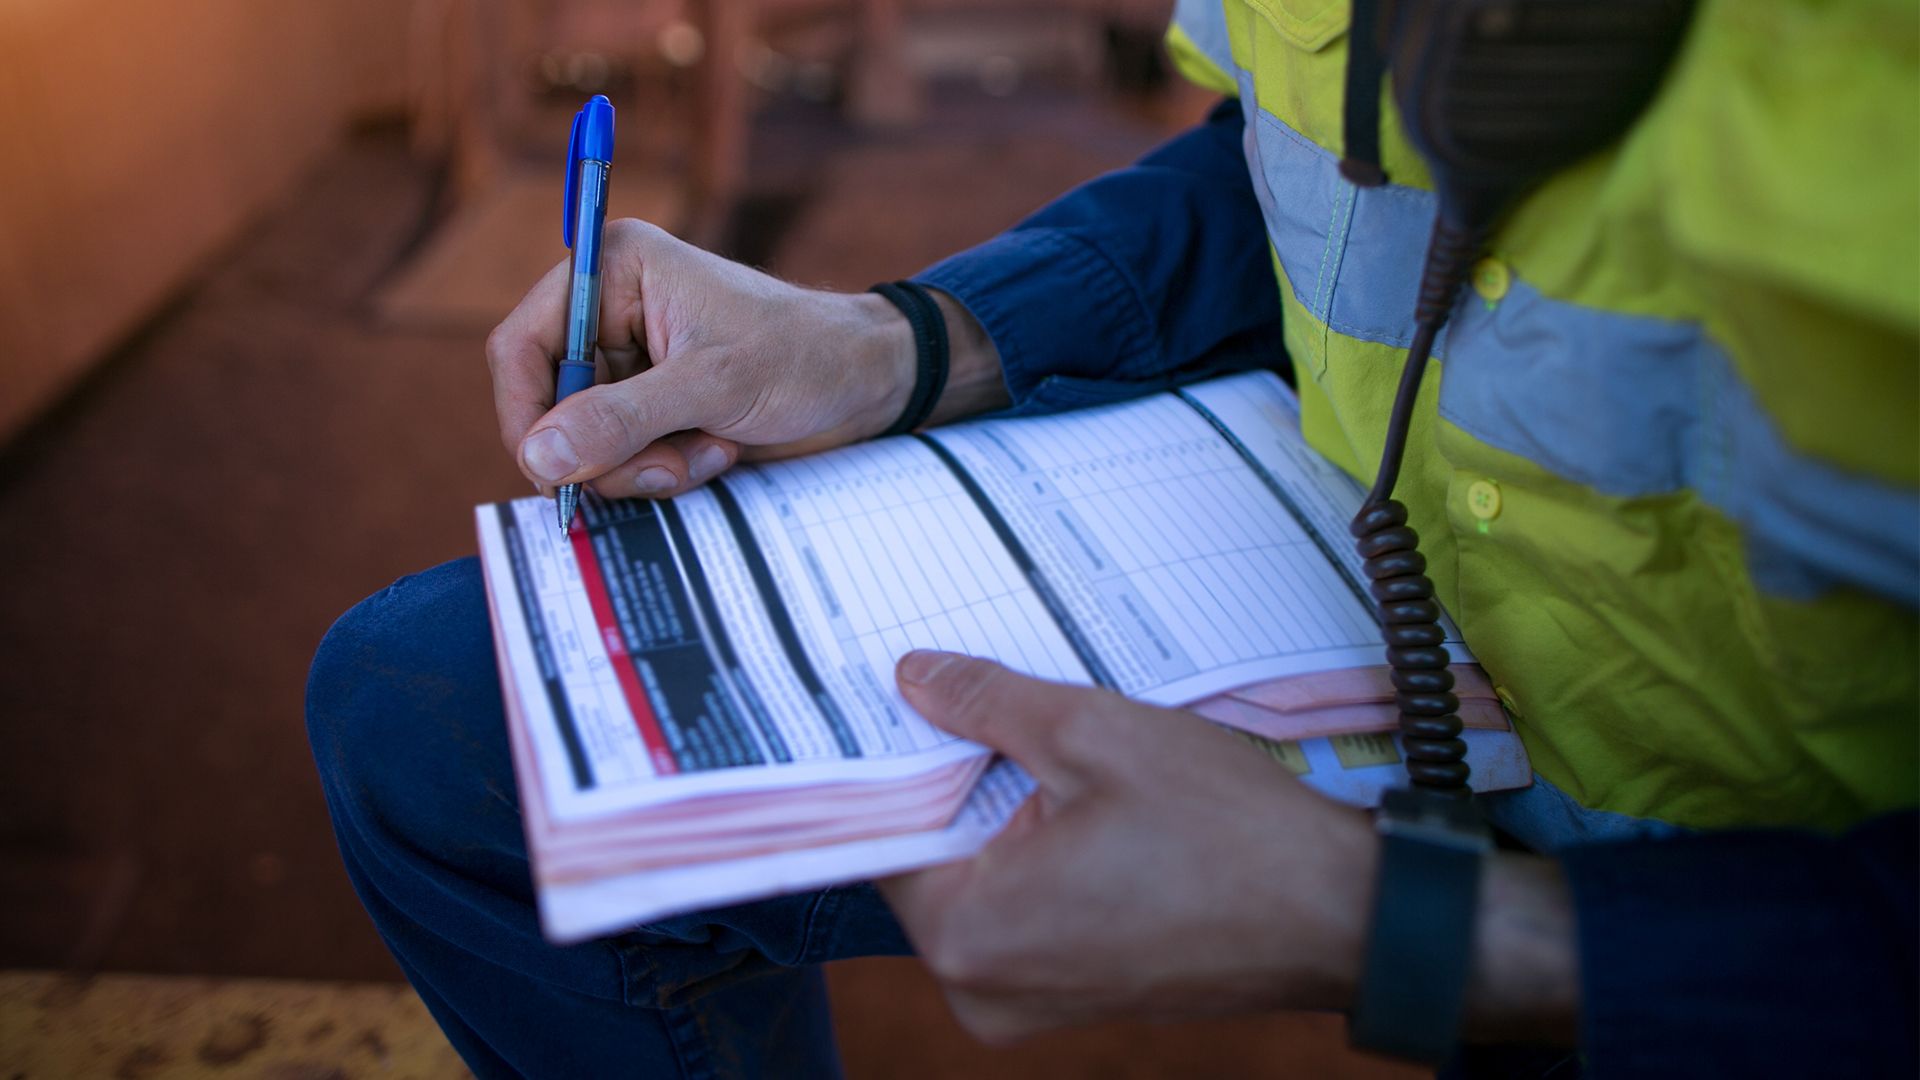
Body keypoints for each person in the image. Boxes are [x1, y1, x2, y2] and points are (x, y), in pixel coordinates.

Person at [306, 0, 1918, 1075]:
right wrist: (898, 342)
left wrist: (1428, 933)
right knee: (432, 714)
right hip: (1353, 575)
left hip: (1755, 881)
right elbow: (1288, 176)